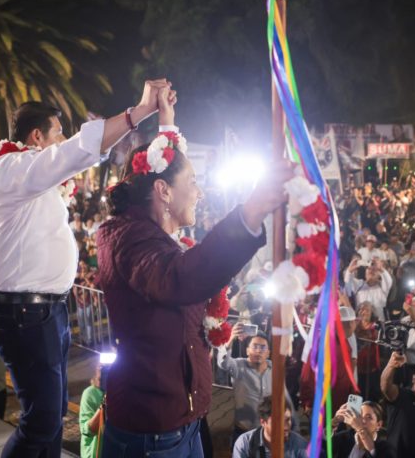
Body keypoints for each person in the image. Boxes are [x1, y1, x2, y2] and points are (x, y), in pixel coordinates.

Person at [96, 86, 293, 458]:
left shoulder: (149, 232)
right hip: (152, 434)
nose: (199, 193)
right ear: (162, 191)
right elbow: (179, 278)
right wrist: (249, 213)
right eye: (192, 183)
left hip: (183, 423)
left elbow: (167, 161)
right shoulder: (128, 238)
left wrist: (167, 119)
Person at [0, 79, 172, 457]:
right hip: (25, 312)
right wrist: (138, 112)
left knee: (49, 427)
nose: (64, 139)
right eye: (58, 132)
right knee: (41, 422)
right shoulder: (9, 170)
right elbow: (73, 154)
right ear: (37, 137)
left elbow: (70, 157)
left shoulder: (38, 183)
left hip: (45, 311)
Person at [218, 327, 296, 446]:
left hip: (269, 432)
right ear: (247, 350)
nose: (258, 351)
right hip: (244, 431)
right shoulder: (238, 366)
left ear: (268, 353)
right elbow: (223, 362)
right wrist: (230, 340)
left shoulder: (275, 371)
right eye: (254, 346)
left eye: (263, 347)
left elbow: (284, 398)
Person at [232, 397, 307, 458]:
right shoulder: (245, 444)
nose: (286, 427)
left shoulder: (300, 445)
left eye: (288, 420)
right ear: (263, 422)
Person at [327, 401, 392, 458]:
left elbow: (374, 453)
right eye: (360, 415)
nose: (363, 420)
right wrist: (333, 423)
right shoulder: (344, 437)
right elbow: (321, 444)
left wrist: (360, 428)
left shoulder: (385, 447)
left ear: (379, 425)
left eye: (369, 417)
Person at [79, 363, 106, 458]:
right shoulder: (90, 393)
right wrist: (105, 403)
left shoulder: (122, 393)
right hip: (94, 453)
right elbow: (88, 430)